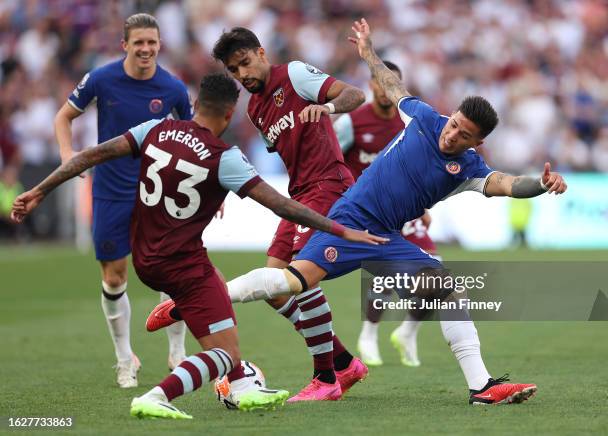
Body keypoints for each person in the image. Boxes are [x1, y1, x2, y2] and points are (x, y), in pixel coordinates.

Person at [223, 19, 568, 405]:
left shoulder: (469, 167)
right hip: (349, 219)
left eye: (464, 135)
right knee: (290, 282)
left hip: (387, 237)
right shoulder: (422, 117)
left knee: (446, 289)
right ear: (450, 114)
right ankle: (208, 299)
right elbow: (391, 85)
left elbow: (505, 184)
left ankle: (481, 386)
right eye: (454, 124)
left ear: (478, 142)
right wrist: (368, 52)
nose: (452, 134)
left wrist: (540, 184)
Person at [11, 73, 386, 419]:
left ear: (194, 105)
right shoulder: (224, 157)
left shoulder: (155, 128)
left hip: (145, 258)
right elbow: (282, 205)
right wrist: (340, 229)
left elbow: (90, 155)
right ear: (228, 113)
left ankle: (242, 385)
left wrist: (39, 191)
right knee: (225, 353)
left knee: (222, 302)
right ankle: (157, 396)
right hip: (184, 265)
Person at [147, 26, 369, 402]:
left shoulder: (295, 75)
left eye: (246, 63)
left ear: (262, 53)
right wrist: (218, 192)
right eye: (234, 70)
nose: (243, 74)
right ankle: (344, 361)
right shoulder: (255, 109)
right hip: (298, 195)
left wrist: (327, 107)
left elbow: (355, 94)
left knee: (297, 277)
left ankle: (326, 377)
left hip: (328, 185)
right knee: (275, 287)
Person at [53, 13, 192, 387]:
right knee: (114, 277)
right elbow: (63, 117)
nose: (145, 49)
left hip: (158, 191)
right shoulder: (101, 79)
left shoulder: (174, 89)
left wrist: (207, 181)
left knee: (169, 270)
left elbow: (197, 138)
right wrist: (68, 156)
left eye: (152, 42)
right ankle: (124, 359)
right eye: (139, 43)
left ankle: (177, 351)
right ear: (125, 46)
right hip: (111, 191)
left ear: (160, 44)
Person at [334, 60, 438, 367]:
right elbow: (331, 161)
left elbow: (418, 169)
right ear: (371, 85)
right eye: (379, 81)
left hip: (404, 208)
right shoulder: (352, 122)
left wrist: (425, 207)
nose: (383, 88)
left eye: (390, 82)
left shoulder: (410, 123)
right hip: (367, 211)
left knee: (435, 271)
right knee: (384, 271)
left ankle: (407, 331)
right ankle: (369, 332)